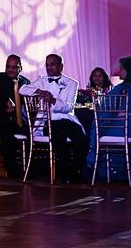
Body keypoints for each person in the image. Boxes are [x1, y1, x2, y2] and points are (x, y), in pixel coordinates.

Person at [19, 54, 87, 182]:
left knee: (81, 138)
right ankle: (63, 174)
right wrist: (40, 92)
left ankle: (74, 172)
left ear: (61, 66)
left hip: (67, 119)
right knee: (58, 137)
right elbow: (22, 89)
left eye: (52, 64)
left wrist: (54, 100)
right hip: (48, 121)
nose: (49, 67)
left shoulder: (72, 83)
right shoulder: (43, 81)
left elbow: (68, 107)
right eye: (47, 64)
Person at [84, 56, 131, 182]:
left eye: (121, 69)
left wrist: (99, 121)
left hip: (125, 131)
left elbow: (105, 111)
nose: (119, 72)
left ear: (128, 70)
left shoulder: (121, 89)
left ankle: (92, 164)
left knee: (96, 127)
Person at [0, 54, 30, 177]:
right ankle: (12, 171)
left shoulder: (26, 82)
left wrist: (18, 108)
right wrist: (4, 108)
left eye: (14, 67)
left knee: (31, 135)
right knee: (8, 137)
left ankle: (29, 170)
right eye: (8, 66)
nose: (10, 70)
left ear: (20, 68)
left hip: (18, 121)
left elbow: (27, 103)